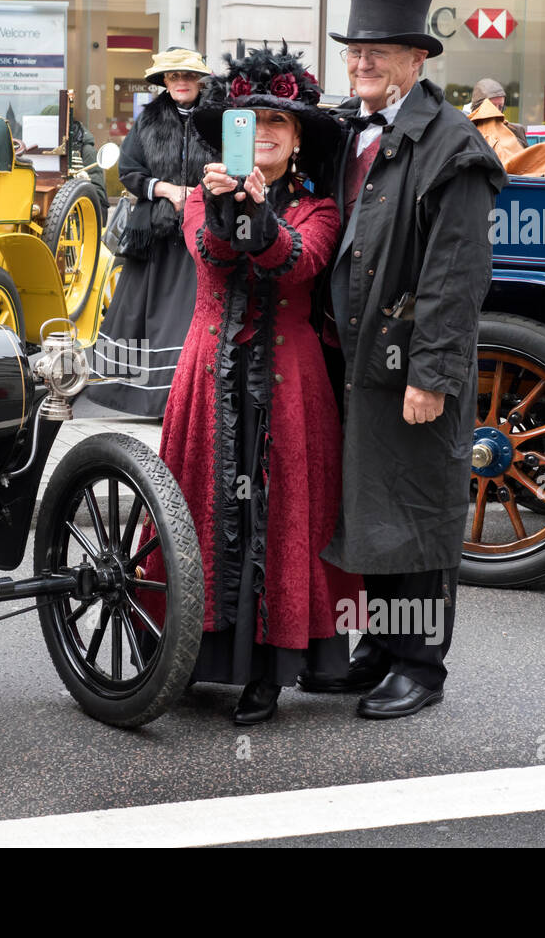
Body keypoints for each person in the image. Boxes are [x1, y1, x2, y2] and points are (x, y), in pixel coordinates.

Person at [298, 0, 507, 718]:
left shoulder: (454, 146)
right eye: (356, 52)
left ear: (417, 59)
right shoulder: (352, 131)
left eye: (378, 52)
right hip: (357, 365)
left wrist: (434, 374)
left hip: (410, 367)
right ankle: (376, 648)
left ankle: (420, 667)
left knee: (416, 511)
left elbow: (456, 277)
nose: (362, 65)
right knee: (367, 510)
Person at [140, 42, 359, 725]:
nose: (262, 133)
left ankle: (266, 672)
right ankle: (194, 656)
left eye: (278, 124)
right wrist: (230, 205)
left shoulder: (320, 209)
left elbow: (296, 262)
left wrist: (262, 214)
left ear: (297, 142)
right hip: (207, 382)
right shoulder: (201, 201)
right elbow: (214, 252)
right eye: (248, 121)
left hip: (290, 389)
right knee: (205, 516)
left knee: (280, 520)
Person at [84, 47, 209, 416]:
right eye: (173, 77)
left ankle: (183, 400)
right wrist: (167, 190)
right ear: (165, 82)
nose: (181, 82)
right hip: (155, 234)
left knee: (187, 315)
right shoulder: (148, 120)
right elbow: (129, 170)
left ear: (199, 79)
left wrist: (199, 196)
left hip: (202, 234)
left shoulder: (219, 117)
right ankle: (141, 397)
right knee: (141, 313)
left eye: (187, 76)